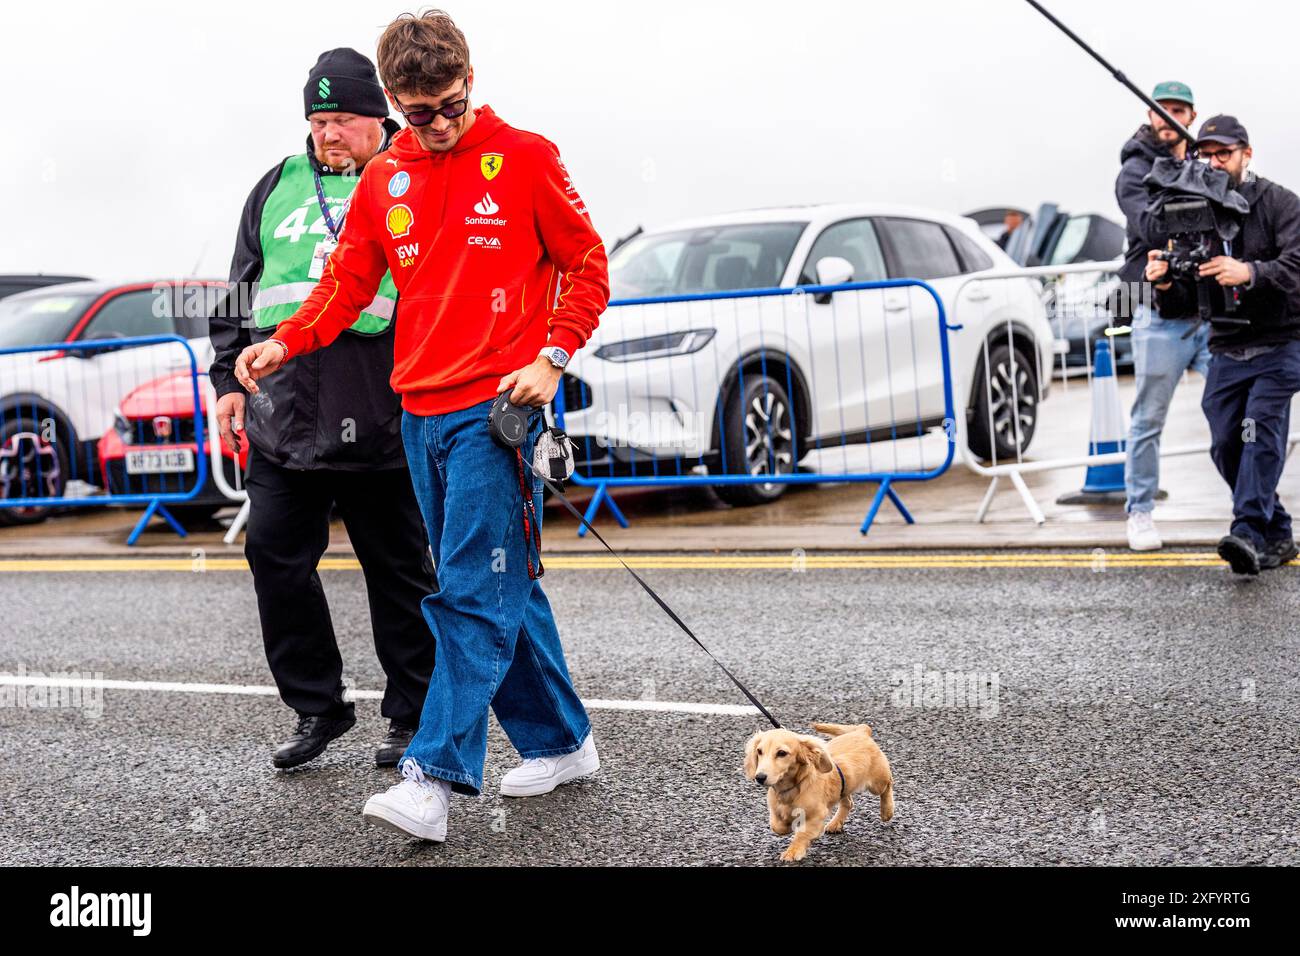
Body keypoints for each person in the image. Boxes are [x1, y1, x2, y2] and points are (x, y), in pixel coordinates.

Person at [233, 10, 610, 841]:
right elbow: (346, 283)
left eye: (446, 106)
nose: (434, 127)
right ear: (395, 104)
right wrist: (282, 344)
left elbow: (587, 266)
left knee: (470, 591)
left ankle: (431, 777)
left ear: (469, 82)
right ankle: (563, 739)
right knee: (506, 582)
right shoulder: (387, 175)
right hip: (419, 412)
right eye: (416, 113)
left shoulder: (527, 158)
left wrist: (551, 355)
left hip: (498, 409)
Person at [208, 48, 436, 770]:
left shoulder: (419, 174)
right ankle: (317, 706)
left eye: (341, 119)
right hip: (285, 416)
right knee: (274, 557)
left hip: (385, 412)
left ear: (380, 119)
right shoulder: (276, 184)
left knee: (399, 569)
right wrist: (227, 382)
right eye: (317, 119)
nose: (327, 133)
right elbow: (244, 291)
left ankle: (414, 715)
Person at [1146, 115, 1300, 574]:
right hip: (1227, 346)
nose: (1213, 161)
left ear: (1246, 155)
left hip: (1280, 343)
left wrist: (1250, 272)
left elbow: (1296, 266)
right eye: (1205, 154)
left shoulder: (1281, 202)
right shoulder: (1195, 212)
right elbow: (1181, 306)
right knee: (1225, 442)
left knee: (1258, 432)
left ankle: (1248, 531)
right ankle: (1277, 531)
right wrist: (1164, 284)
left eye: (1223, 153)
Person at [1116, 81, 1211, 552]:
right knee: (1149, 419)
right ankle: (1140, 511)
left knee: (1238, 412)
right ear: (1149, 114)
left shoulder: (1204, 161)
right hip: (1160, 316)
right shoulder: (1134, 171)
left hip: (1212, 314)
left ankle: (1254, 508)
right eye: (1161, 109)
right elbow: (1153, 225)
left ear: (1191, 117)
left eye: (1178, 110)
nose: (1168, 116)